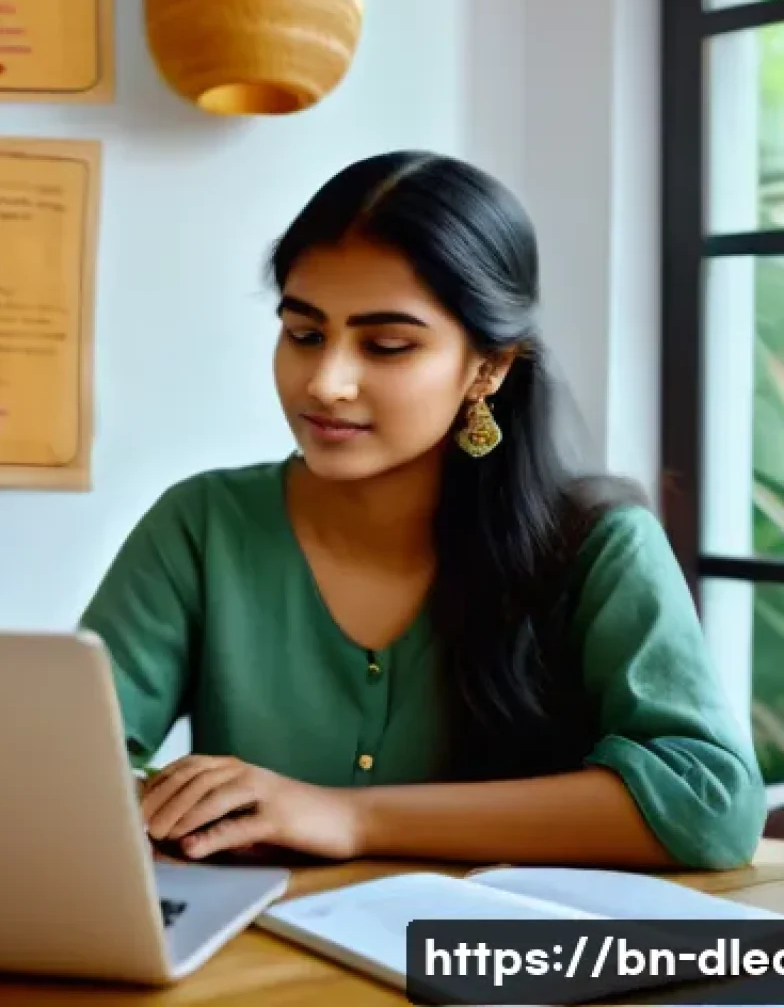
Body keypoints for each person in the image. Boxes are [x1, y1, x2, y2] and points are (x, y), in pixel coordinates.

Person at [80, 151, 766, 871]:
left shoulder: (596, 544)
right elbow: (70, 771)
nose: (326, 382)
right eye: (304, 333)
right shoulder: (204, 523)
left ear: (489, 367)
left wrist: (348, 819)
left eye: (387, 346)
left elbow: (709, 806)